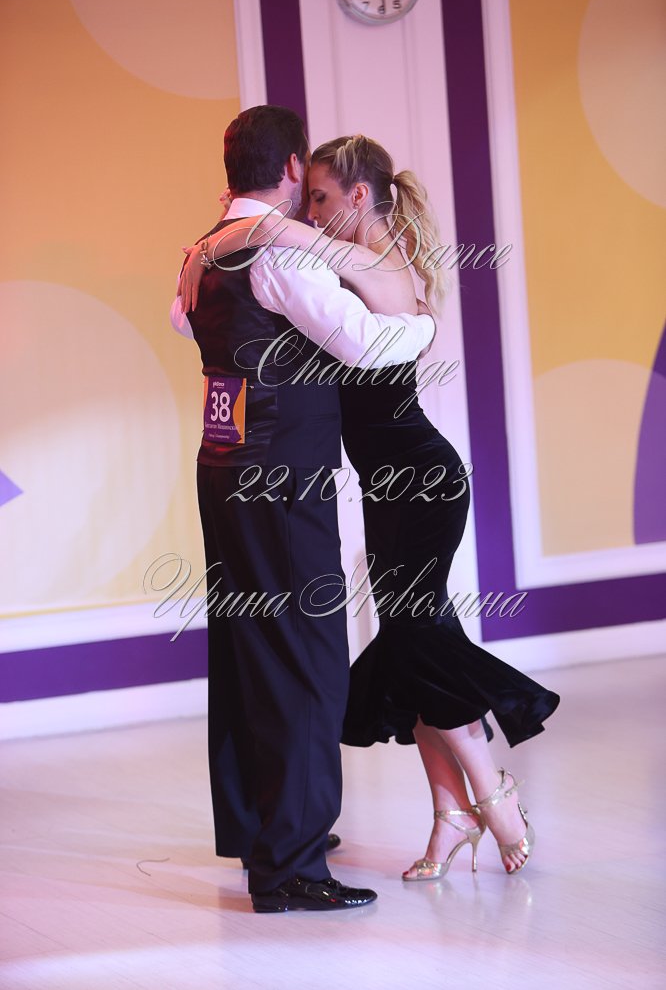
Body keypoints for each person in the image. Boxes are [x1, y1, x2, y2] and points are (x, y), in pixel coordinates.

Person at [180, 133, 560, 882]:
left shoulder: (377, 265)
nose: (311, 212)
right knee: (412, 642)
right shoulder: (341, 260)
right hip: (389, 487)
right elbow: (276, 256)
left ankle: (492, 791)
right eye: (307, 196)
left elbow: (358, 319)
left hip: (423, 482)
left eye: (322, 198)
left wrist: (237, 231)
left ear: (359, 196)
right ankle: (450, 815)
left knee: (417, 637)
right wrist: (221, 243)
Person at [170, 108, 437, 912]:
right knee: (309, 659)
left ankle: (261, 827)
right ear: (291, 167)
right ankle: (290, 864)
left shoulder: (205, 248)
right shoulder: (279, 254)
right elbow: (364, 343)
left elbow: (183, 321)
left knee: (249, 649)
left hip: (223, 466)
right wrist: (422, 325)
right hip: (281, 478)